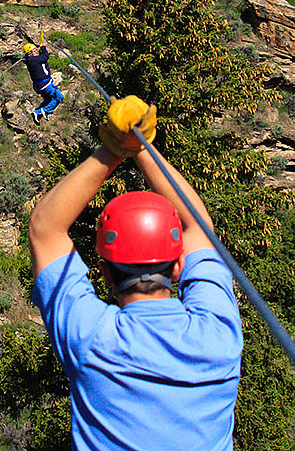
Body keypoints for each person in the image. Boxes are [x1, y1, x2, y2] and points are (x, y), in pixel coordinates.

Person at [29, 95, 243, 451]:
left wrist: (114, 149)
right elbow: (200, 228)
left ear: (105, 274)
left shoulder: (93, 339)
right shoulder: (219, 334)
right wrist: (141, 147)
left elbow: (44, 229)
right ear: (178, 266)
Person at [23, 43, 64, 124]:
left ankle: (37, 112)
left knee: (48, 99)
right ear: (29, 54)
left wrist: (41, 50)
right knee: (59, 97)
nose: (36, 51)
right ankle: (45, 111)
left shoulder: (33, 60)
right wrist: (43, 48)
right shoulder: (32, 60)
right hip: (45, 84)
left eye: (36, 50)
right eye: (34, 51)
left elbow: (42, 59)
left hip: (43, 84)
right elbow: (46, 56)